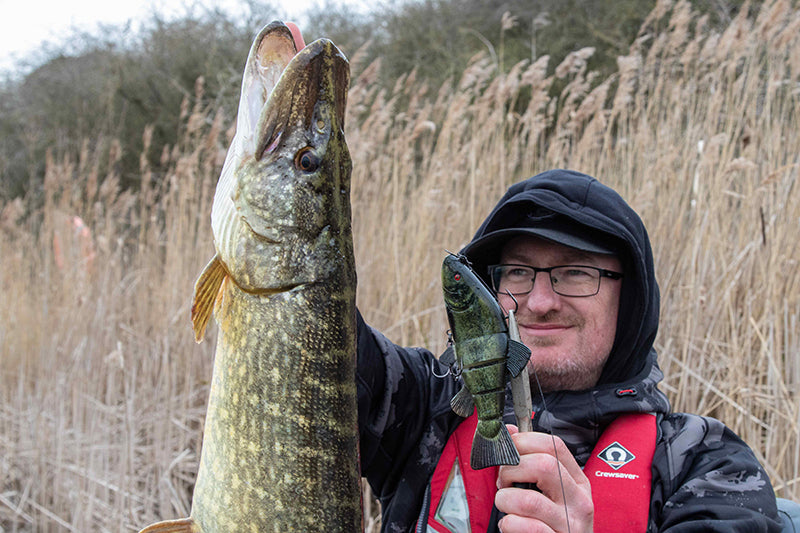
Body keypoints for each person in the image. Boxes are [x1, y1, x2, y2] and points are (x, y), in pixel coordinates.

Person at [356, 169, 783, 532]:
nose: (540, 303)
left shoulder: (704, 464)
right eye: (519, 271)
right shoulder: (424, 406)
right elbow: (313, 332)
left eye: (576, 272)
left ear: (629, 300)